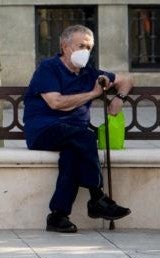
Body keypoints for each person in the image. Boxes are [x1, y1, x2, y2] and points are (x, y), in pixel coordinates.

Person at [24, 24, 133, 233]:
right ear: (64, 46)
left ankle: (58, 216)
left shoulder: (89, 73)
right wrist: (93, 94)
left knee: (73, 155)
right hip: (44, 130)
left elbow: (126, 80)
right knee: (85, 137)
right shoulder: (48, 68)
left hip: (74, 136)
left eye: (89, 47)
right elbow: (55, 103)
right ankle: (96, 197)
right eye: (81, 45)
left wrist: (120, 98)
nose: (86, 51)